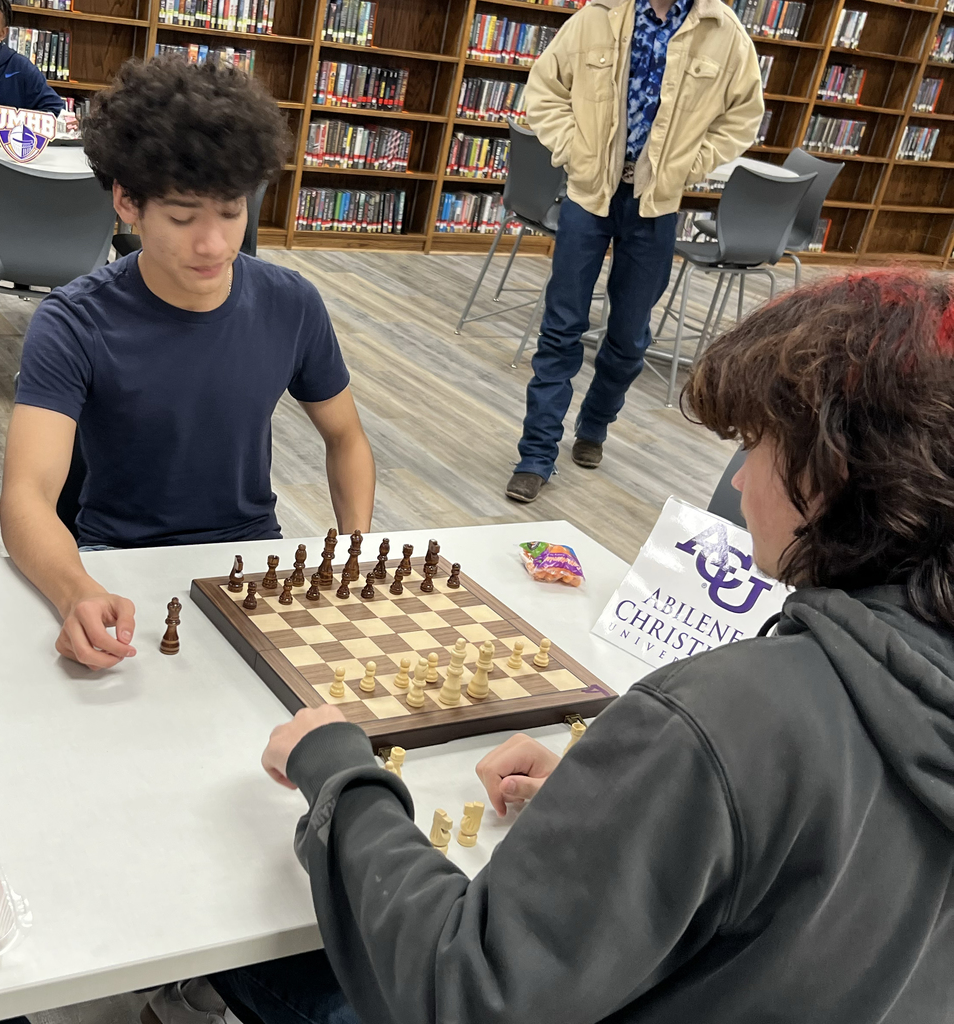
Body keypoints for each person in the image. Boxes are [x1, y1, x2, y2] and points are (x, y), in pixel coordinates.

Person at [224, 270, 953, 1023]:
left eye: (758, 444)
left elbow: (463, 992)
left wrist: (339, 772)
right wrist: (625, 808)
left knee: (259, 946)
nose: (737, 479)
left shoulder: (723, 717)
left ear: (828, 472)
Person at [0, 57, 376, 672]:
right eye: (181, 216)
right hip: (117, 560)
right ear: (127, 202)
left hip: (250, 557)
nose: (214, 243)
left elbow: (347, 437)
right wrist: (76, 590)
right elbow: (27, 494)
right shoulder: (72, 322)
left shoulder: (292, 303)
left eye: (230, 211)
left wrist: (356, 543)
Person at [504, 0, 764, 502]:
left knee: (628, 338)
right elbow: (545, 90)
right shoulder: (597, 17)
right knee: (561, 328)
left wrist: (691, 165)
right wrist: (572, 149)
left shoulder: (724, 32)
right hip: (588, 195)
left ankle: (595, 425)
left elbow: (743, 118)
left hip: (656, 203)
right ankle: (536, 454)